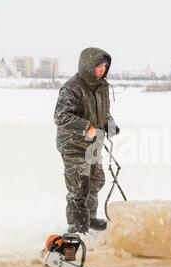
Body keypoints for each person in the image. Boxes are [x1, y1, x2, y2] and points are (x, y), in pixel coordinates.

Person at [54, 47, 120, 234]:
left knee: (96, 181)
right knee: (79, 187)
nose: (102, 70)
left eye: (104, 67)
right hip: (74, 145)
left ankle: (89, 219)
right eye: (98, 66)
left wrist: (110, 124)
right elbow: (61, 116)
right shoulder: (72, 87)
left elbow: (103, 111)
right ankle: (77, 227)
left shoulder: (101, 86)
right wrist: (87, 128)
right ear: (88, 66)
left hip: (93, 145)